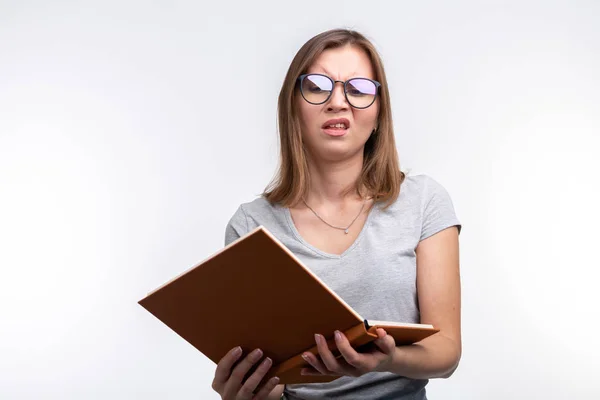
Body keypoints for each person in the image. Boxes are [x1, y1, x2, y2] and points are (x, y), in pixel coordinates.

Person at [211, 28, 462, 400]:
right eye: (317, 85)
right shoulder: (251, 225)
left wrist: (385, 359)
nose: (338, 102)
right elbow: (268, 366)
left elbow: (447, 351)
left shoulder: (424, 200)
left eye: (359, 89)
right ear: (293, 106)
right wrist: (248, 392)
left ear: (379, 113)